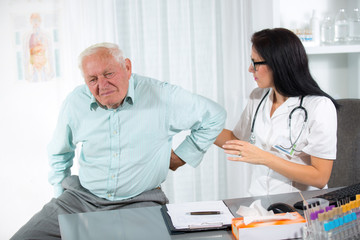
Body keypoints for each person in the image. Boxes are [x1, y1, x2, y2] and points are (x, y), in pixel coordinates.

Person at [11, 42, 226, 239]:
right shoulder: (76, 101)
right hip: (81, 199)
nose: (102, 85)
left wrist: (181, 156)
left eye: (109, 74)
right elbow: (60, 152)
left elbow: (214, 115)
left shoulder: (162, 96)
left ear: (127, 68)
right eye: (92, 79)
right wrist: (60, 199)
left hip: (140, 201)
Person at [215, 28, 339, 197]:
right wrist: (199, 125)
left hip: (301, 206)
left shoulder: (319, 107)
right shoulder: (257, 97)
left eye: (256, 63)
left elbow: (320, 177)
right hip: (259, 201)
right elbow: (237, 141)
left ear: (278, 64)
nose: (251, 69)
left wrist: (264, 157)